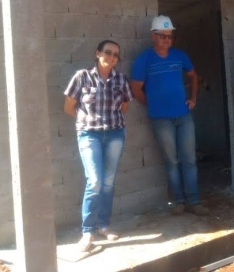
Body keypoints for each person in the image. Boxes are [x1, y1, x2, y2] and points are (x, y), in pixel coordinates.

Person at [130, 15, 209, 216]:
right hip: (161, 119)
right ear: (153, 36)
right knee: (172, 161)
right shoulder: (144, 60)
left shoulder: (179, 55)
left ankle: (194, 201)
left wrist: (193, 98)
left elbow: (193, 75)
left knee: (189, 159)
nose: (167, 39)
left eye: (170, 36)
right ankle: (178, 202)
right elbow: (136, 89)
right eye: (163, 36)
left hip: (184, 115)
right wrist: (152, 103)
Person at [63, 40, 134, 252]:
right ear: (97, 53)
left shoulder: (121, 80)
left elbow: (125, 107)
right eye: (107, 52)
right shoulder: (82, 77)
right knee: (94, 181)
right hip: (89, 135)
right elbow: (69, 107)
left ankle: (104, 225)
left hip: (115, 135)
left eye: (116, 55)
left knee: (108, 182)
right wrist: (86, 123)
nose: (111, 57)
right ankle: (87, 232)